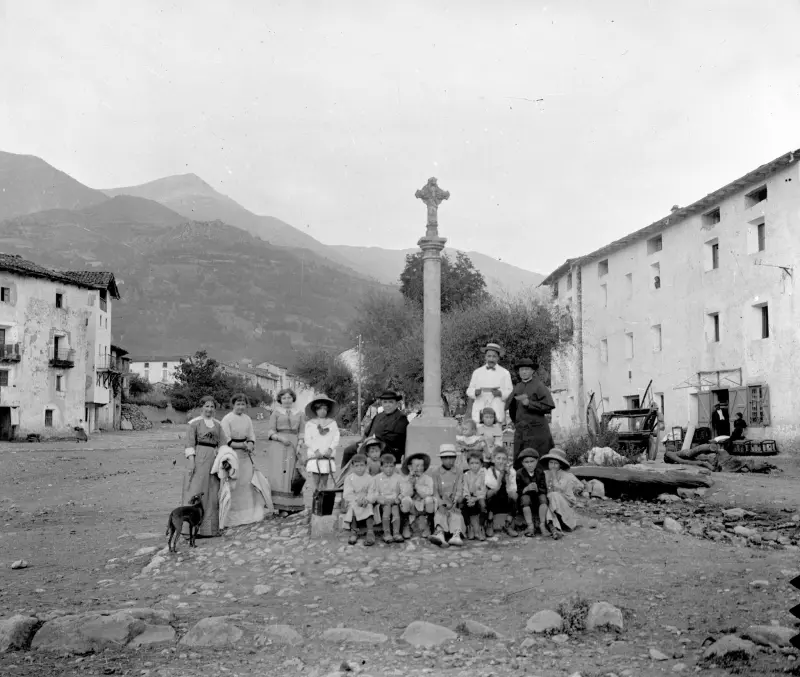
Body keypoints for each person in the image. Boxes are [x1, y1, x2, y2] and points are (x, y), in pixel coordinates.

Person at [219, 393, 273, 527]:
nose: (241, 407)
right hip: (233, 455)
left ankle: (250, 515)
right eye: (238, 404)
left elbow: (251, 434)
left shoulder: (247, 419)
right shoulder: (227, 419)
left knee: (248, 483)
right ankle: (233, 518)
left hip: (246, 455)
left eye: (243, 404)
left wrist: (250, 444)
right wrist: (241, 445)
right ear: (233, 405)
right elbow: (226, 439)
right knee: (235, 484)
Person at [182, 395, 223, 537]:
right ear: (201, 407)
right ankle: (190, 529)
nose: (209, 409)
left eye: (212, 407)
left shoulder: (218, 424)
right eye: (206, 406)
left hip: (214, 461)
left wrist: (222, 459)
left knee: (212, 493)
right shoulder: (194, 423)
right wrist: (192, 461)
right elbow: (189, 443)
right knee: (196, 491)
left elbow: (223, 444)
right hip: (199, 459)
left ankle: (209, 529)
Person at [508, 358, 555, 469]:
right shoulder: (517, 387)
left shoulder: (539, 386)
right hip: (521, 432)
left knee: (539, 461)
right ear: (518, 372)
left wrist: (530, 404)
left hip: (538, 432)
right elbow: (512, 409)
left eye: (527, 369)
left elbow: (549, 406)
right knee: (520, 461)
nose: (524, 372)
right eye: (521, 369)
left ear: (532, 371)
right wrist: (518, 423)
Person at [264, 388, 306, 514]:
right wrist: (280, 438)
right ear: (280, 400)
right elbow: (270, 431)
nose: (287, 400)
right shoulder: (276, 413)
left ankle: (294, 505)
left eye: (289, 397)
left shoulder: (299, 413)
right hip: (278, 446)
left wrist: (299, 444)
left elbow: (302, 431)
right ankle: (281, 507)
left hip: (293, 445)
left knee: (293, 474)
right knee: (279, 475)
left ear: (293, 399)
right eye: (284, 398)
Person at [342, 391, 409, 467]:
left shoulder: (401, 418)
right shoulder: (378, 416)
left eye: (390, 402)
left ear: (396, 404)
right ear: (382, 404)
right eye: (385, 402)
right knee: (348, 450)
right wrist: (361, 442)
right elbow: (367, 432)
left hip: (387, 449)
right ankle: (344, 477)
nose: (387, 405)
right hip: (369, 444)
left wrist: (369, 443)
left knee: (366, 455)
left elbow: (392, 439)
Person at [303, 396, 340, 510]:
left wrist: (330, 449)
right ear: (315, 410)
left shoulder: (332, 423)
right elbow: (308, 439)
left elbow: (336, 437)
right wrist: (316, 451)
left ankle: (324, 506)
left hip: (327, 456)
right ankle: (316, 506)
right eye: (320, 409)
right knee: (316, 482)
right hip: (316, 456)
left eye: (325, 409)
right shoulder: (310, 424)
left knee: (325, 480)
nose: (322, 411)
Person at [466, 342, 513, 424]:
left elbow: (510, 390)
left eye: (494, 356)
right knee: (479, 435)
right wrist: (475, 392)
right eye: (489, 356)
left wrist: (500, 393)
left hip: (496, 409)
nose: (491, 359)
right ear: (485, 357)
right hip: (480, 409)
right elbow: (469, 390)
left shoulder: (505, 373)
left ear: (498, 358)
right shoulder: (477, 372)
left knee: (496, 434)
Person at [539, 448, 581, 539]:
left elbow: (559, 490)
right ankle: (554, 528)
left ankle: (553, 527)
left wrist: (554, 476)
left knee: (553, 495)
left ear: (560, 465)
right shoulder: (545, 474)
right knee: (546, 498)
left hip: (564, 503)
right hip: (550, 503)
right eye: (551, 463)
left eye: (556, 463)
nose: (553, 466)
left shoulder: (566, 476)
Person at [429, 444, 465, 548]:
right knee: (440, 514)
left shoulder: (458, 471)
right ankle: (440, 534)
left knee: (456, 515)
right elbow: (435, 490)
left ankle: (456, 535)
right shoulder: (436, 472)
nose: (449, 460)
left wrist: (456, 500)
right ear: (441, 459)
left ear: (455, 458)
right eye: (446, 458)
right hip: (442, 500)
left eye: (452, 457)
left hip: (454, 501)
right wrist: (440, 502)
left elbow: (459, 488)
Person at [341, 454, 376, 546]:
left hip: (366, 500)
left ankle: (370, 532)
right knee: (353, 507)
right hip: (353, 500)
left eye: (362, 465)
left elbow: (372, 493)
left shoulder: (370, 478)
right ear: (352, 467)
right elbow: (347, 494)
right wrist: (357, 500)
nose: (359, 468)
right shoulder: (349, 478)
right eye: (356, 466)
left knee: (368, 507)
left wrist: (367, 500)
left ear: (366, 466)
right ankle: (354, 531)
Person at [369, 452, 405, 543]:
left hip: (395, 501)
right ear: (381, 467)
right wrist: (380, 499)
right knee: (387, 510)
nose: (389, 469)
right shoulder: (376, 478)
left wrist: (399, 498)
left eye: (391, 466)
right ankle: (387, 533)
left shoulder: (399, 478)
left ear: (395, 467)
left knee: (395, 510)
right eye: (386, 466)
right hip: (383, 502)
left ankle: (396, 533)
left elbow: (403, 491)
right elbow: (374, 492)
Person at [400, 451, 435, 539]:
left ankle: (428, 525)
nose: (420, 468)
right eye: (417, 466)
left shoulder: (428, 479)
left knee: (429, 499)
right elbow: (405, 493)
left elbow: (428, 492)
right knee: (405, 500)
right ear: (410, 467)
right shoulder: (405, 479)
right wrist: (410, 483)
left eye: (422, 466)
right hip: (412, 507)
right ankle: (406, 525)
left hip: (423, 506)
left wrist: (416, 485)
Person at [484, 447, 518, 537]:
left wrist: (507, 478)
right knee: (490, 493)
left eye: (504, 459)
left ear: (507, 460)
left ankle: (508, 524)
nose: (501, 461)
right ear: (494, 460)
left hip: (505, 501)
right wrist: (500, 476)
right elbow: (494, 488)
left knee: (514, 496)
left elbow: (513, 489)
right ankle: (490, 522)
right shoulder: (490, 471)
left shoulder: (512, 472)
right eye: (498, 458)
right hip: (494, 502)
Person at [516, 448, 548, 538]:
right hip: (525, 501)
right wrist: (526, 489)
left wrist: (537, 489)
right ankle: (530, 525)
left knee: (543, 497)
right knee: (525, 499)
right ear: (522, 463)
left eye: (532, 461)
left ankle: (542, 524)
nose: (529, 464)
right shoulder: (519, 473)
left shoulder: (540, 472)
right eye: (526, 462)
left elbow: (544, 489)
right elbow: (518, 490)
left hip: (537, 499)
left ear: (537, 461)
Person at [462, 452, 488, 541]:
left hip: (479, 497)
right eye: (472, 463)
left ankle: (481, 527)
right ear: (468, 464)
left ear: (481, 464)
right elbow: (465, 488)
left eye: (477, 463)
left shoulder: (484, 474)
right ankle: (469, 527)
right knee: (462, 504)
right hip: (469, 497)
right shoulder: (466, 475)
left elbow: (483, 490)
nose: (474, 466)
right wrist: (468, 498)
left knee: (483, 504)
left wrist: (475, 498)